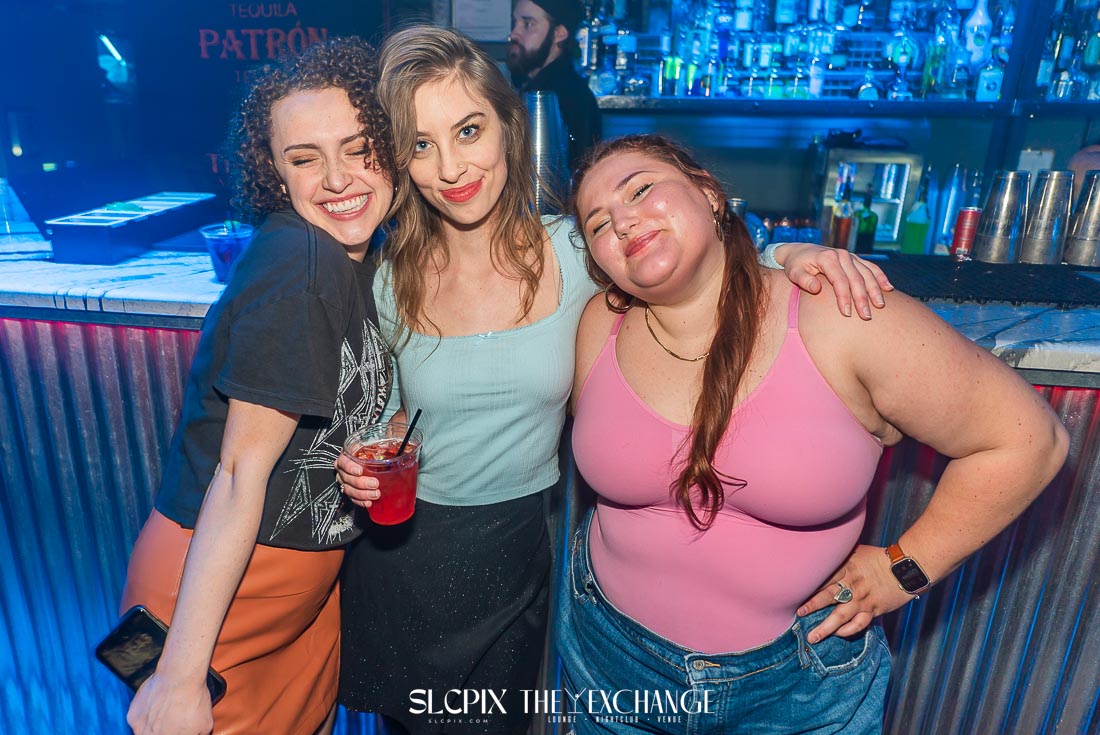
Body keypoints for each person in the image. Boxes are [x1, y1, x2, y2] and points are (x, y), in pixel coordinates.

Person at [335, 26, 894, 735]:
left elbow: (695, 253)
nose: (451, 166)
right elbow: (388, 413)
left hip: (518, 550)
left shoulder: (577, 251)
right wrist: (364, 455)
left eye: (468, 130)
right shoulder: (389, 278)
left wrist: (789, 251)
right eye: (421, 144)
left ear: (507, 127)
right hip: (408, 554)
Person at [557, 134, 1070, 734]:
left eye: (641, 189)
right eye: (598, 224)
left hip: (795, 688)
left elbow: (1028, 440)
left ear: (708, 193)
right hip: (610, 659)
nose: (623, 222)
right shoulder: (599, 324)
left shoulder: (840, 315)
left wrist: (903, 570)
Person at [118, 37, 396, 735]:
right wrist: (180, 674)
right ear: (273, 171)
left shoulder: (359, 254)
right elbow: (241, 472)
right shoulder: (302, 263)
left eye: (359, 148)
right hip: (226, 592)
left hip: (301, 588)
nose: (336, 178)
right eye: (305, 159)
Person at [507, 0, 602, 169]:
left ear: (559, 33)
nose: (514, 34)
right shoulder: (533, 86)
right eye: (515, 23)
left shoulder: (563, 96)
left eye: (528, 24)